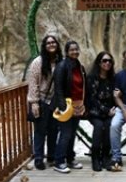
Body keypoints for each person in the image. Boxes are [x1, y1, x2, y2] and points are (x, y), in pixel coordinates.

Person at [24, 34, 62, 170]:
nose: (51, 45)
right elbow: (33, 83)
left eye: (53, 42)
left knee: (53, 129)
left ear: (57, 45)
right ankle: (39, 158)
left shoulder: (60, 61)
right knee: (40, 130)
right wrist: (34, 103)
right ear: (44, 46)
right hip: (41, 100)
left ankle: (51, 156)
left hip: (55, 102)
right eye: (48, 43)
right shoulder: (38, 62)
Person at [51, 41, 88, 173]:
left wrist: (84, 103)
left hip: (77, 104)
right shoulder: (61, 66)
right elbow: (58, 88)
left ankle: (70, 159)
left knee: (72, 133)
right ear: (66, 52)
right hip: (66, 105)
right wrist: (62, 107)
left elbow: (83, 86)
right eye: (71, 50)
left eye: (76, 49)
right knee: (65, 134)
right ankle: (59, 161)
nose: (75, 52)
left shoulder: (79, 66)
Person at [85, 51, 118, 171]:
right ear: (99, 63)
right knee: (99, 126)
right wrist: (106, 110)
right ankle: (95, 158)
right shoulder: (92, 78)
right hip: (94, 111)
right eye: (104, 60)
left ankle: (105, 157)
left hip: (109, 111)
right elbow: (91, 99)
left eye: (109, 61)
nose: (107, 63)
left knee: (109, 125)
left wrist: (114, 108)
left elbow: (116, 95)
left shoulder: (113, 78)